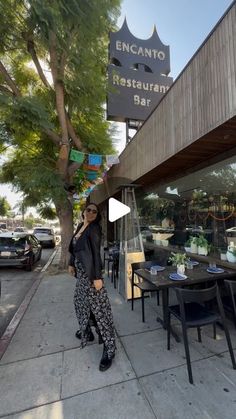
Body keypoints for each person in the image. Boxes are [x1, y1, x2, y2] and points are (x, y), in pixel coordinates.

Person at [68, 203, 116, 371]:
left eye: (94, 211)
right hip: (81, 276)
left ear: (97, 215)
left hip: (91, 277)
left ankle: (109, 349)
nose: (91, 212)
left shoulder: (94, 229)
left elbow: (96, 253)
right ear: (83, 211)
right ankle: (87, 332)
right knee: (80, 303)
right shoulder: (81, 225)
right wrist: (71, 263)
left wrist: (97, 277)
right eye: (88, 209)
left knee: (100, 312)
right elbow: (74, 248)